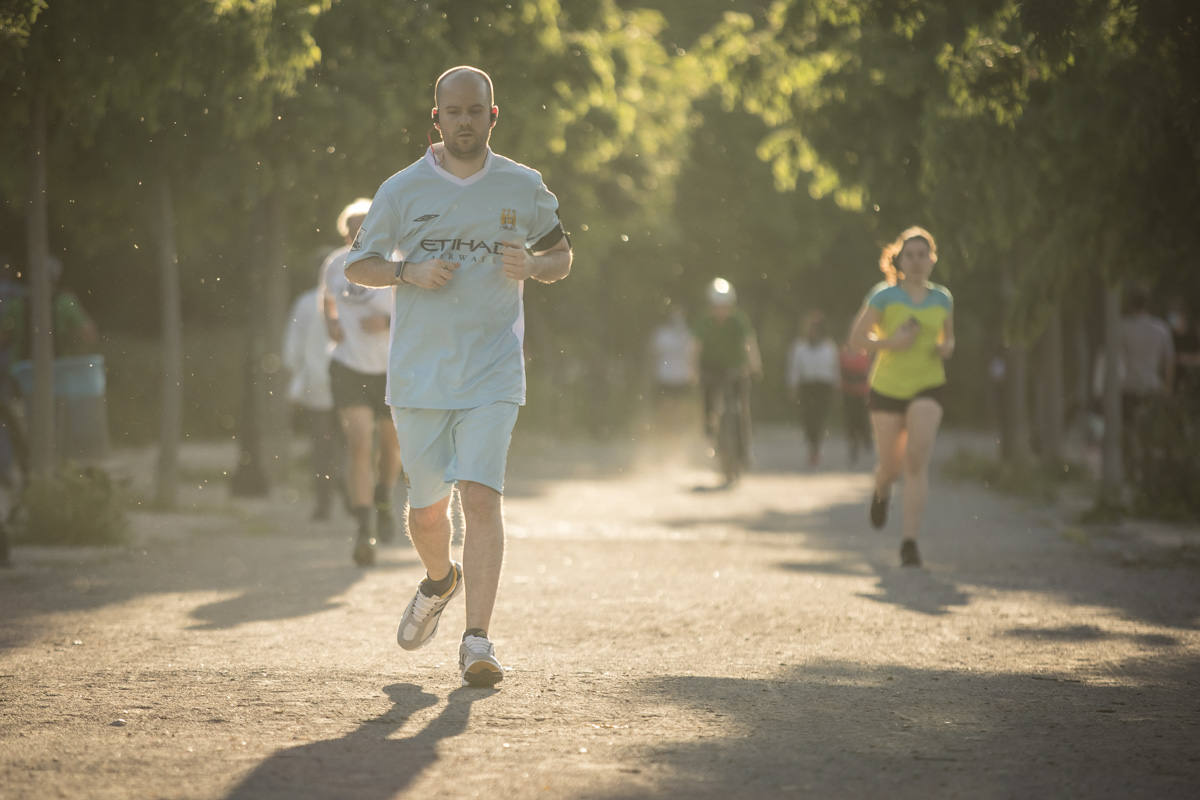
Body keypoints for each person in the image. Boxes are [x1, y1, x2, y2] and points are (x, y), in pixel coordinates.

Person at [343, 66, 573, 687]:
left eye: (477, 111)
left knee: (481, 496)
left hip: (493, 370)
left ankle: (477, 641)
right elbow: (358, 266)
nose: (465, 121)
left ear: (492, 116)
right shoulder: (401, 189)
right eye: (455, 112)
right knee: (426, 515)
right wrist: (406, 273)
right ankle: (440, 581)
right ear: (436, 119)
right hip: (419, 376)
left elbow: (562, 255)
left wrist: (535, 264)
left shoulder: (523, 186)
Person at [848, 226, 954, 567]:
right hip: (888, 387)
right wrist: (892, 343)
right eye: (910, 255)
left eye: (923, 255)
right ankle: (881, 489)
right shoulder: (883, 296)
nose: (917, 261)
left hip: (928, 384)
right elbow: (857, 339)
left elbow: (949, 340)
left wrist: (945, 347)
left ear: (932, 259)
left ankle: (909, 542)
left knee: (916, 459)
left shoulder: (943, 299)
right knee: (891, 467)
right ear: (900, 260)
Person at [322, 199, 404, 567]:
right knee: (358, 441)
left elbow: (419, 311)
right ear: (344, 232)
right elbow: (328, 300)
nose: (357, 233)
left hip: (391, 368)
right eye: (351, 228)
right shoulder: (335, 264)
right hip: (348, 366)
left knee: (390, 446)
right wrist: (332, 323)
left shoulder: (396, 260)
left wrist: (386, 325)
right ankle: (363, 526)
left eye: (364, 226)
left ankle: (384, 497)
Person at [282, 262, 340, 521]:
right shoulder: (351, 298)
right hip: (348, 381)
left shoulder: (305, 302)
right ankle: (350, 491)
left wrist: (296, 373)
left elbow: (292, 345)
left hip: (316, 384)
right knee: (352, 443)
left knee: (321, 446)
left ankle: (323, 502)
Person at [693, 278, 761, 477]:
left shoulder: (739, 320)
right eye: (717, 306)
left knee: (742, 408)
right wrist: (693, 370)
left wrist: (755, 364)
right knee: (709, 404)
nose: (721, 310)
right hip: (711, 369)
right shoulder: (704, 322)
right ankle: (711, 433)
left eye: (725, 306)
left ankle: (744, 449)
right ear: (711, 306)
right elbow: (695, 347)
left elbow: (749, 342)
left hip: (735, 369)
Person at [1118, 288, 1174, 482]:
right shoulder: (1161, 328)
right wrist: (1167, 388)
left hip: (1130, 386)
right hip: (1153, 386)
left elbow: (1118, 360)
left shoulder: (1123, 327)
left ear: (1131, 305)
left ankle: (1131, 473)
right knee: (1150, 434)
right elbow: (1169, 362)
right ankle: (1148, 475)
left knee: (1129, 431)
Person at [785, 310, 838, 467]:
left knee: (819, 418)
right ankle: (811, 445)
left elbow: (834, 370)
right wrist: (792, 387)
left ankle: (816, 448)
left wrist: (836, 387)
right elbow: (793, 369)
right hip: (807, 387)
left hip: (823, 387)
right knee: (808, 419)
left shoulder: (829, 347)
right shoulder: (799, 347)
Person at [647, 304, 698, 446]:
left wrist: (693, 373)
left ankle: (678, 440)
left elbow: (693, 356)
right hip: (664, 378)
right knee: (665, 411)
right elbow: (654, 356)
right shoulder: (661, 335)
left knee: (681, 412)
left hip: (682, 378)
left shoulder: (689, 334)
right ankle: (664, 438)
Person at [837, 333, 872, 466]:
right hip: (848, 393)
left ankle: (866, 440)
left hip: (862, 393)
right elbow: (838, 372)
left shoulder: (865, 355)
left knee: (862, 419)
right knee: (850, 421)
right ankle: (853, 446)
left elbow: (869, 373)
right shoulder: (843, 355)